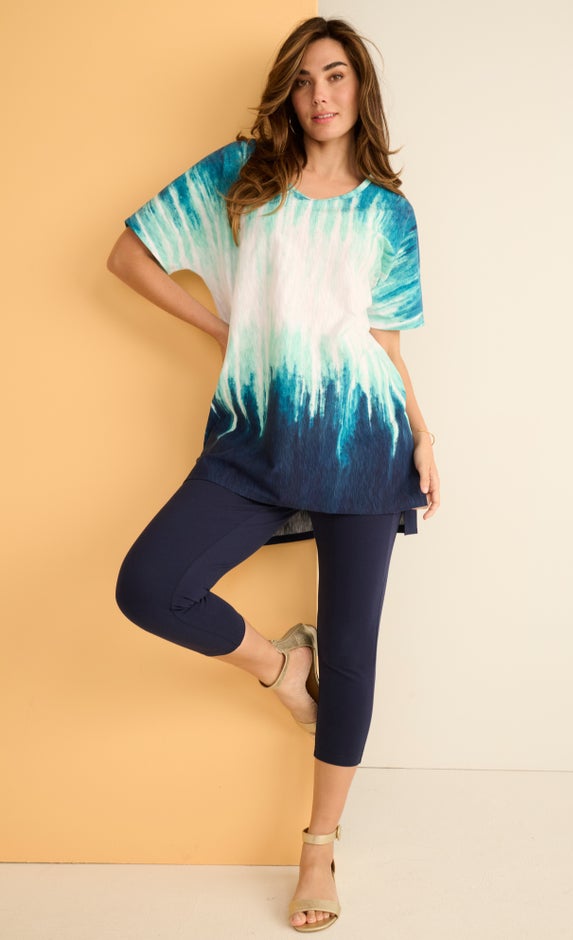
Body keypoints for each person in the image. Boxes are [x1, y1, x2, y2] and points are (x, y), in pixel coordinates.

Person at [107, 15, 440, 933]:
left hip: (363, 440)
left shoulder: (388, 212)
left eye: (335, 76)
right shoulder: (244, 177)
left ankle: (318, 847)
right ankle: (285, 666)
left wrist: (422, 432)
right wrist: (227, 332)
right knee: (150, 585)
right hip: (255, 438)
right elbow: (127, 255)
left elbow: (384, 341)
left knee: (355, 650)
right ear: (286, 95)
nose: (320, 95)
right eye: (302, 81)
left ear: (359, 86)